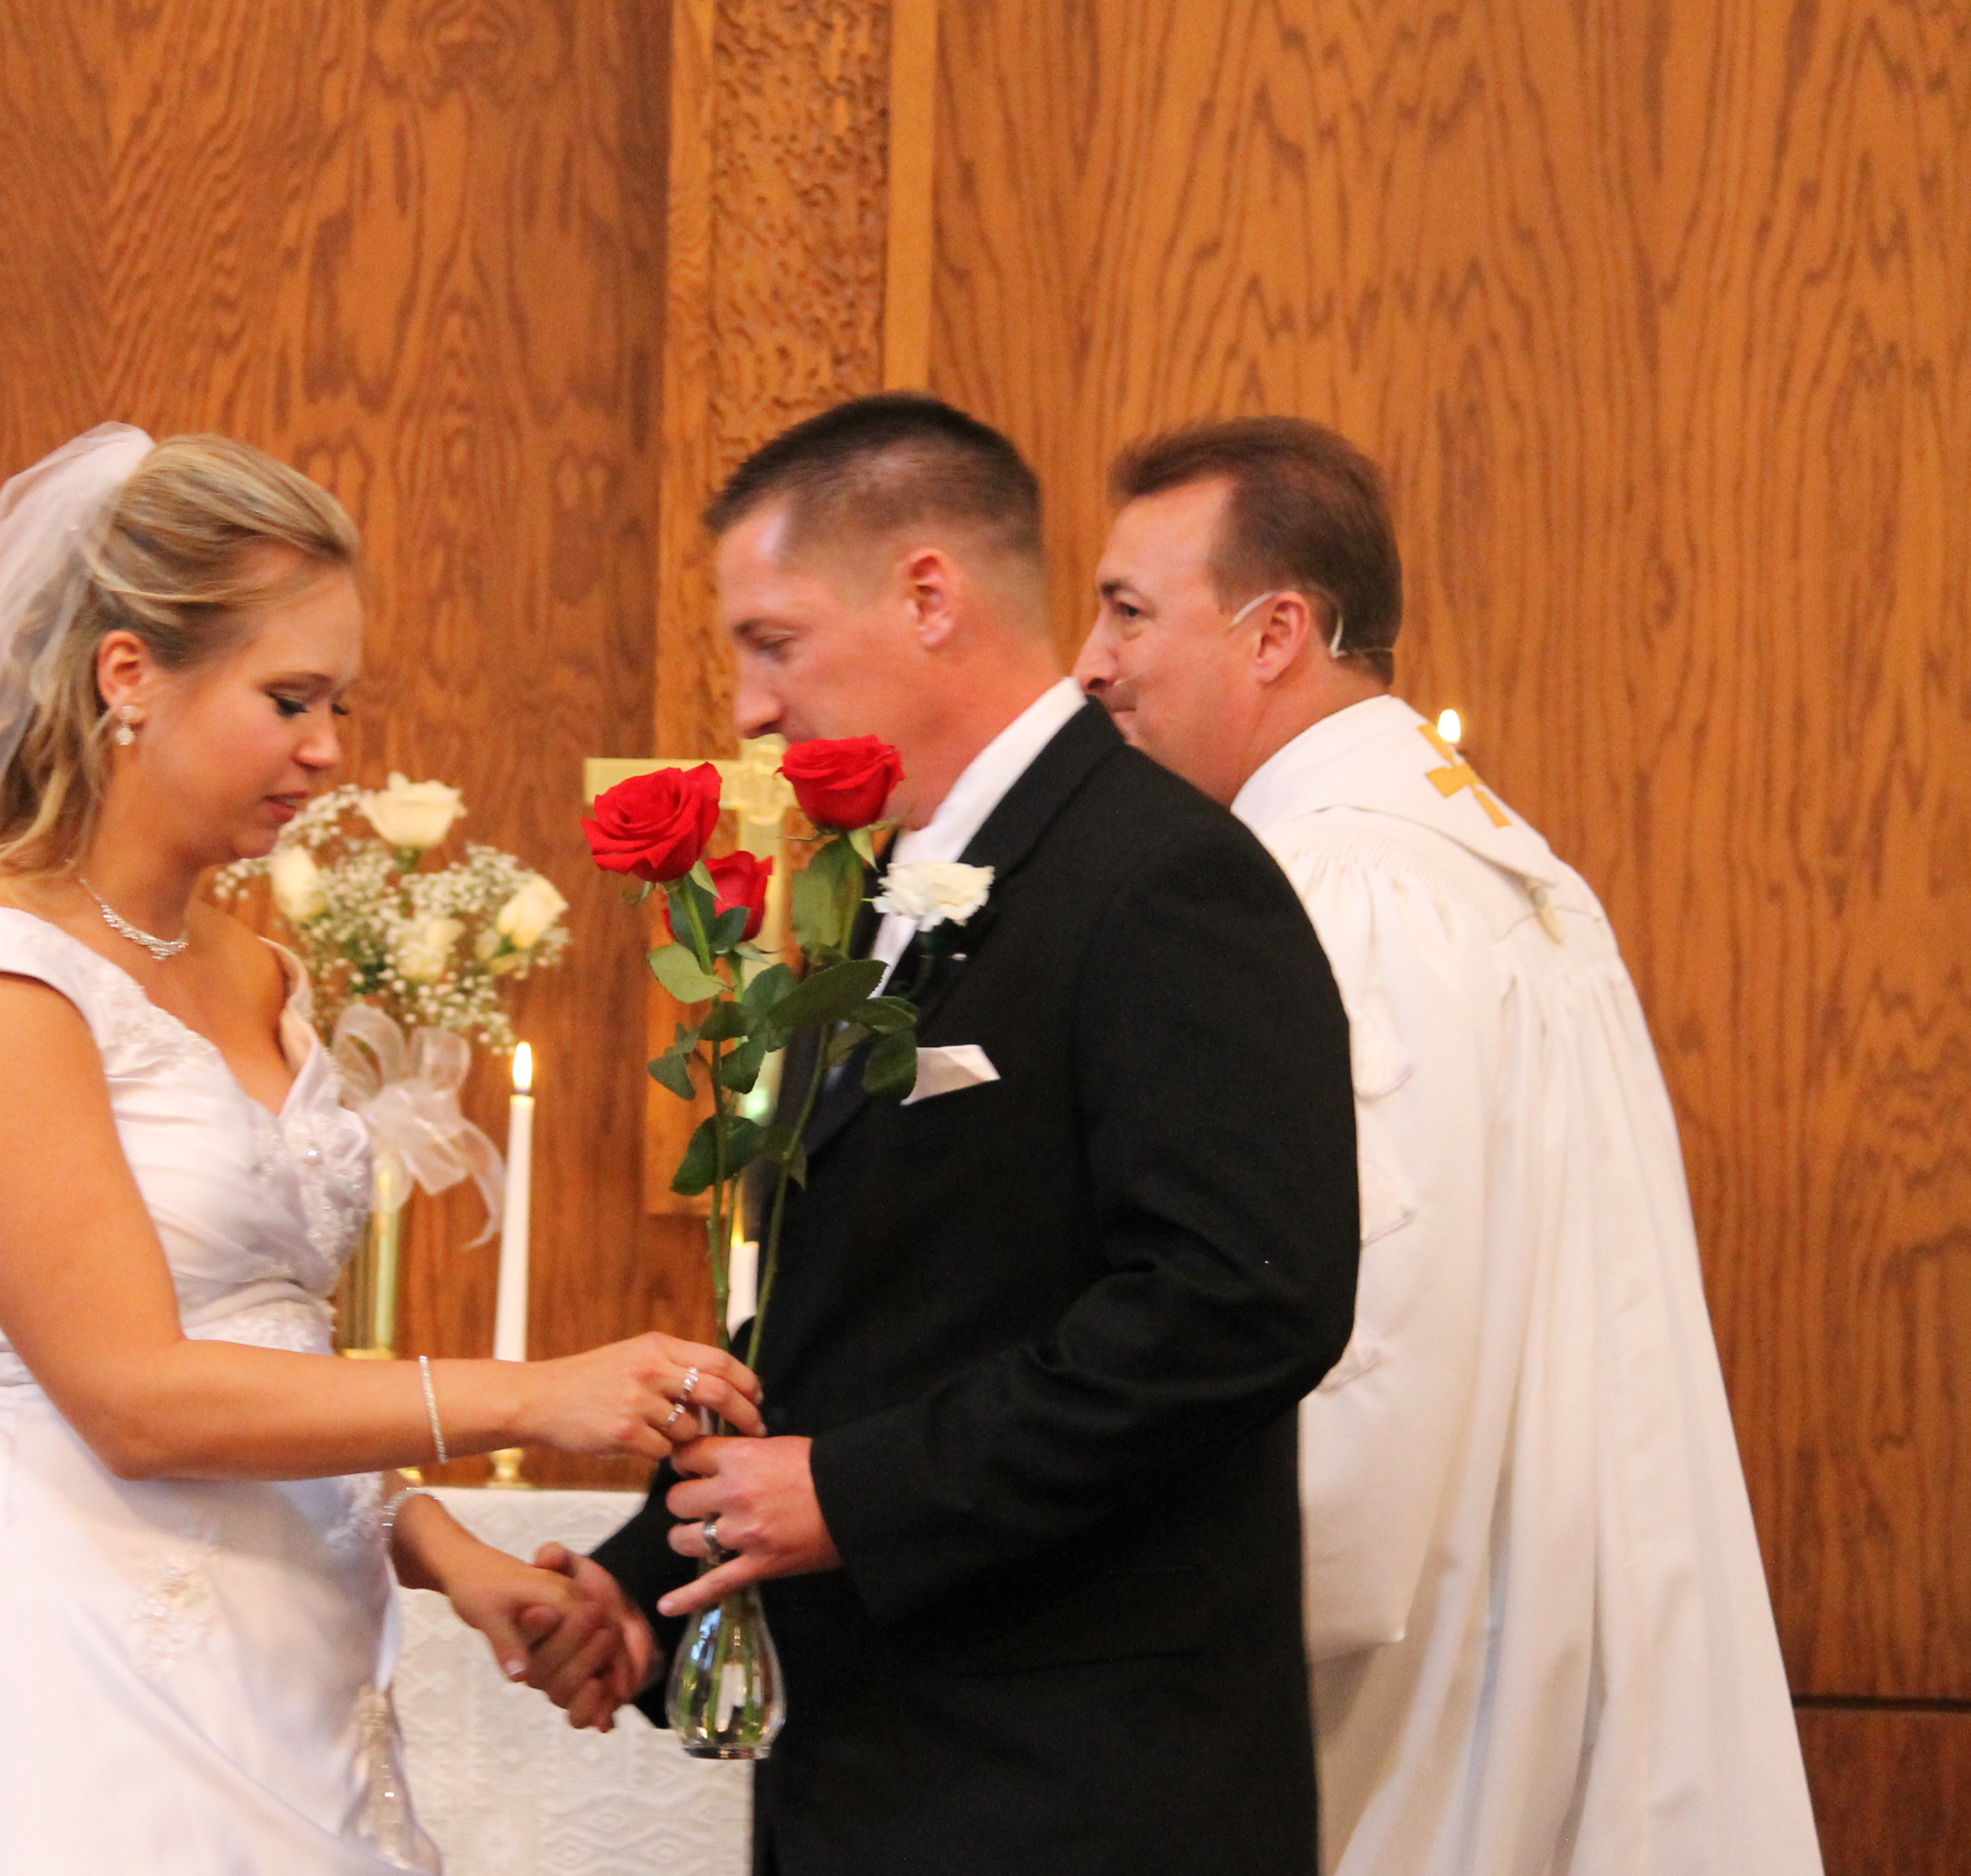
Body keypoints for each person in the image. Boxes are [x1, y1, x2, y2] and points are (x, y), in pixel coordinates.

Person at [0, 427, 758, 1872]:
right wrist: (538, 1395)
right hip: (66, 1674)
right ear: (131, 677)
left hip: (297, 1673)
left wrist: (445, 1556)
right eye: (289, 697)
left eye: (340, 704)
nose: (328, 749)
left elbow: (264, 1343)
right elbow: (133, 1398)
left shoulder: (255, 972)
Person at [537, 395, 1363, 1875]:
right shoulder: (880, 895)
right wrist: (639, 1591)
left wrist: (855, 1496)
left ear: (928, 594)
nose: (749, 708)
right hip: (887, 1773)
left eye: (772, 641)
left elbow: (1242, 1302)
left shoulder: (1160, 875)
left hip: (1075, 1792)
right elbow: (864, 1325)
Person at [1068, 416, 1821, 1876]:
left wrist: (1132, 1627)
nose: (1090, 663)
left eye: (1127, 610)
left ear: (1276, 631)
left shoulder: (1338, 894)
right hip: (1545, 1582)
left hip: (1432, 1661)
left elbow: (1354, 1340)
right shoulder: (1494, 869)